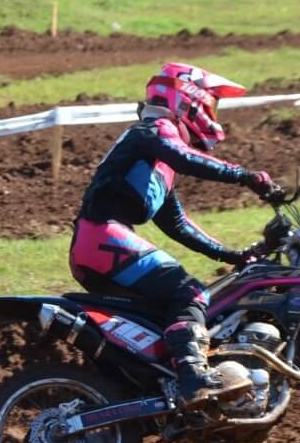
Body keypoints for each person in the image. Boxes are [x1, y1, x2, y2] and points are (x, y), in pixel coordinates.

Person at [69, 63, 278, 408]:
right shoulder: (154, 130)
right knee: (190, 293)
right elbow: (185, 158)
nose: (212, 114)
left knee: (161, 312)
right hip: (104, 236)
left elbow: (177, 224)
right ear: (188, 99)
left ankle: (151, 387)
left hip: (97, 243)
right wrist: (246, 176)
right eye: (211, 105)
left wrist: (232, 255)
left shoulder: (156, 160)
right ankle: (194, 378)